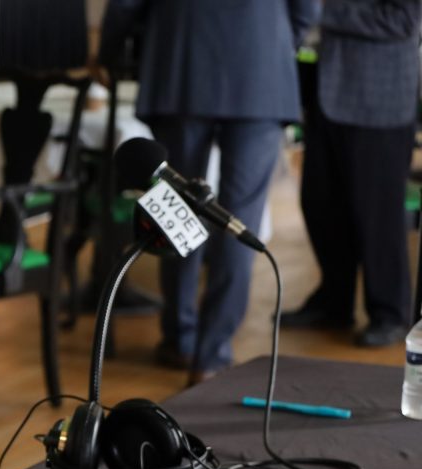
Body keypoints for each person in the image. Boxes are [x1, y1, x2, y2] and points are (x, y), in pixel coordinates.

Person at [98, 0, 319, 385]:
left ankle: (180, 338)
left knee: (176, 206)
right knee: (239, 216)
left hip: (183, 58)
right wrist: (273, 37)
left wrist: (107, 53)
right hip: (259, 63)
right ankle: (211, 355)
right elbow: (307, 10)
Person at [282, 0, 422, 347]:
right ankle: (333, 302)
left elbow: (402, 20)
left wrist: (321, 11)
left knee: (379, 216)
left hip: (380, 101)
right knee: (320, 203)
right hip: (325, 93)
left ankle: (389, 312)